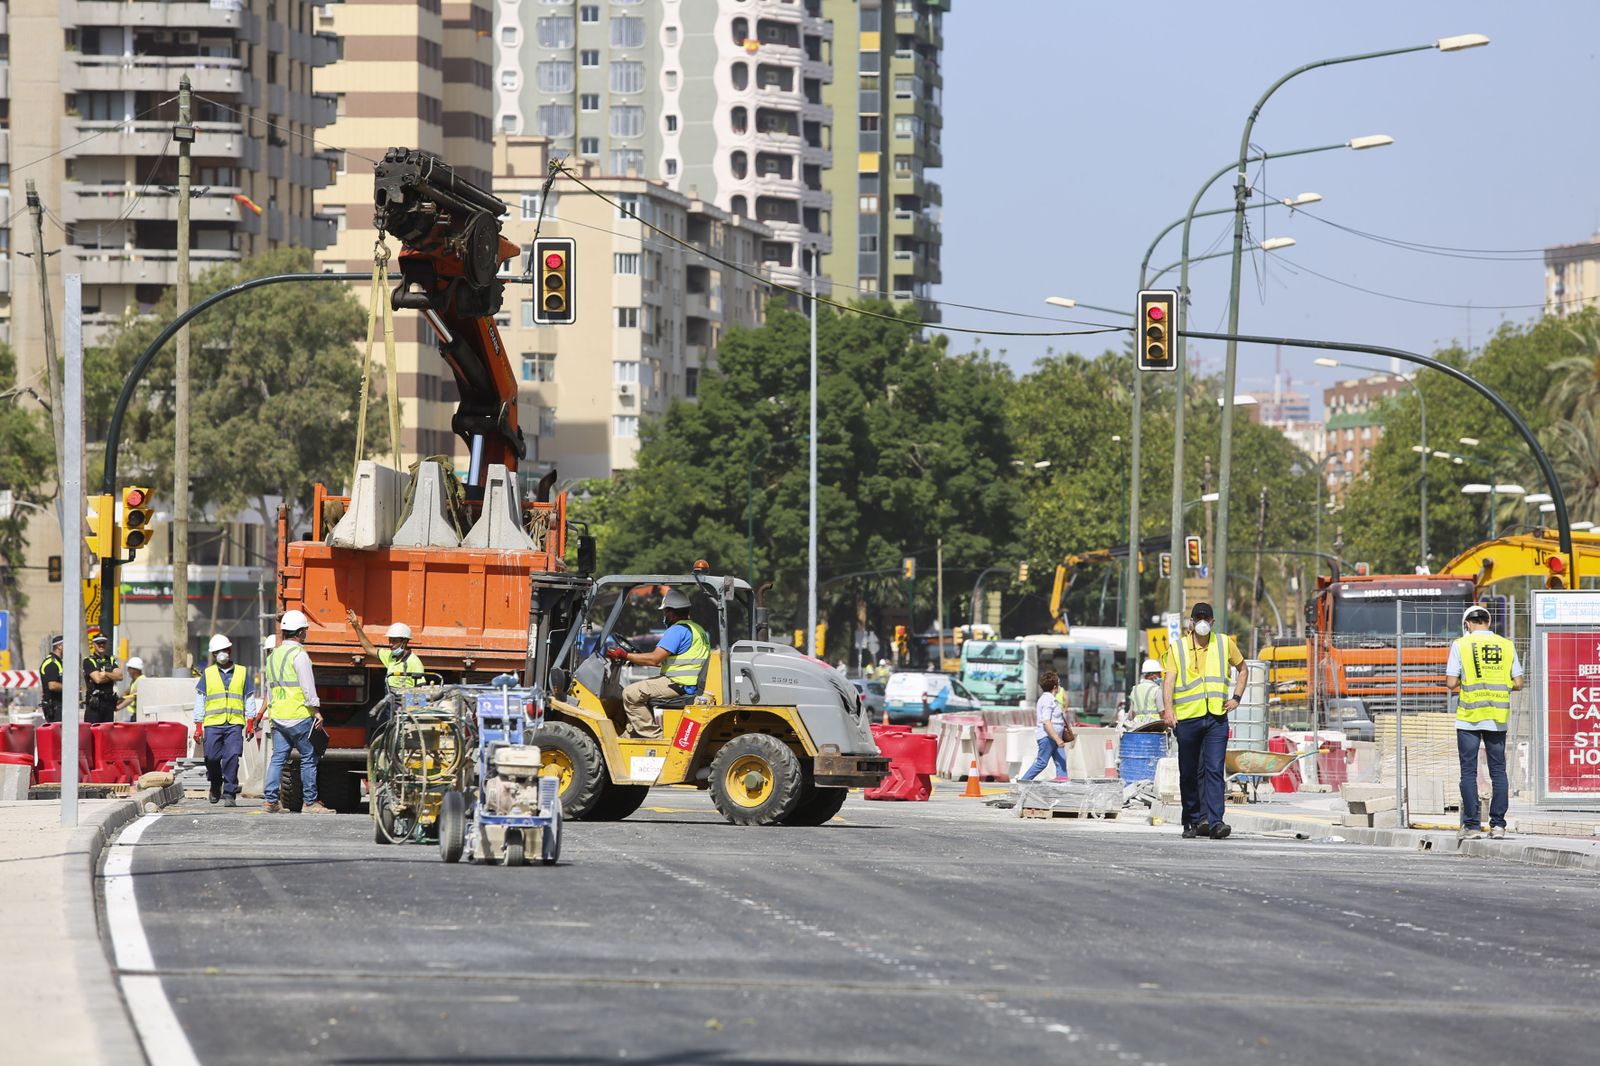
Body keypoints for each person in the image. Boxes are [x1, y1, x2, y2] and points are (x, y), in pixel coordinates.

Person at [1161, 603, 1246, 840]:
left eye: (1205, 618)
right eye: (1197, 617)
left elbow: (1243, 669)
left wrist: (1236, 697)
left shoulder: (1224, 642)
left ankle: (1216, 822)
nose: (1201, 621)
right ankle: (1191, 820)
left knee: (1214, 770)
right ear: (1191, 622)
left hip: (1216, 718)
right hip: (1187, 718)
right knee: (1189, 772)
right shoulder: (1177, 648)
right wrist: (1168, 710)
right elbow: (1168, 681)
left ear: (1212, 622)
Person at [1445, 604, 1522, 841]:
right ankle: (1498, 825)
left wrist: (1468, 684)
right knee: (1498, 770)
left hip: (1469, 717)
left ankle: (1471, 825)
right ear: (1488, 623)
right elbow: (1518, 683)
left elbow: (1450, 683)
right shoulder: (1506, 645)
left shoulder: (1461, 644)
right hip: (1497, 718)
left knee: (1468, 771)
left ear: (1467, 624)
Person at [607, 590, 710, 740]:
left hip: (678, 683)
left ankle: (655, 738)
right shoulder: (697, 629)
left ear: (671, 613)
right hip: (687, 681)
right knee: (639, 690)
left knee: (630, 693)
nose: (664, 617)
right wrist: (635, 657)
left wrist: (624, 655)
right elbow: (671, 660)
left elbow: (654, 659)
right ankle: (630, 734)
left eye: (665, 613)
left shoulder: (676, 631)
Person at [262, 610, 334, 814]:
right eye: (305, 631)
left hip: (278, 715)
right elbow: (307, 687)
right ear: (300, 632)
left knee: (278, 758)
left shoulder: (272, 656)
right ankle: (310, 802)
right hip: (299, 714)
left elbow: (270, 688)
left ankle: (270, 801)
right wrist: (316, 711)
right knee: (309, 757)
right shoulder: (300, 655)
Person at [193, 635, 253, 807]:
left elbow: (248, 697)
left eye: (224, 650)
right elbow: (200, 699)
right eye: (218, 651)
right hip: (212, 723)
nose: (222, 654)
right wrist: (198, 725)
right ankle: (215, 783)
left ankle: (229, 793)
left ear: (230, 650)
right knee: (211, 757)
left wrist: (250, 722)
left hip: (234, 722)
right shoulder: (208, 673)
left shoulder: (242, 672)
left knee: (232, 757)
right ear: (213, 654)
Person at [345, 610, 425, 690]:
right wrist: (357, 627)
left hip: (406, 701)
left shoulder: (414, 662)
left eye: (394, 641)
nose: (390, 644)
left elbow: (421, 692)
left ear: (404, 642)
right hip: (391, 698)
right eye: (390, 640)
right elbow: (369, 649)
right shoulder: (390, 656)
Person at [1018, 670, 1073, 782]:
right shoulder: (1048, 700)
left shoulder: (1050, 699)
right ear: (1055, 687)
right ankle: (1023, 782)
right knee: (1042, 762)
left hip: (1055, 737)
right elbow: (1046, 721)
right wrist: (1057, 739)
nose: (1059, 686)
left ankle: (1062, 786)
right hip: (1048, 737)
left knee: (1061, 763)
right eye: (1058, 684)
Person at [83, 633, 123, 724]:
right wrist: (112, 676)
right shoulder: (89, 660)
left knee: (107, 732)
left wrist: (105, 674)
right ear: (93, 645)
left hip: (109, 703)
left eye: (103, 643)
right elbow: (98, 679)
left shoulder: (110, 660)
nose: (101, 645)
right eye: (98, 643)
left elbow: (120, 676)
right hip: (95, 704)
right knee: (93, 731)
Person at [1126, 658, 1165, 728]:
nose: (1161, 676)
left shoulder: (1134, 689)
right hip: (1155, 727)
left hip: (1138, 727)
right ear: (1152, 675)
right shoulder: (1157, 690)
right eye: (1159, 673)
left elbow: (1132, 713)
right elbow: (1162, 713)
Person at [40, 635, 64, 724]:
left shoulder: (59, 662)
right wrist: (70, 688)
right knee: (58, 733)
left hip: (59, 704)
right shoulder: (51, 662)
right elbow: (52, 685)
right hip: (54, 705)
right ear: (59, 646)